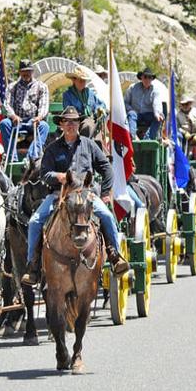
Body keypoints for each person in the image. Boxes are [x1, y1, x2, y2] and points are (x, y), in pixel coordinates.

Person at [22, 108, 129, 286]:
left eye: (74, 121)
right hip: (60, 195)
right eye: (67, 122)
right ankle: (33, 266)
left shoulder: (89, 145)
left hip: (87, 195)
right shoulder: (52, 149)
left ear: (79, 124)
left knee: (107, 216)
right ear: (61, 125)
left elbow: (106, 168)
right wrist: (58, 176)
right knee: (34, 222)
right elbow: (44, 174)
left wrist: (105, 194)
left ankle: (114, 255)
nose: (71, 125)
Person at [0, 59, 50, 160]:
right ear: (20, 72)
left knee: (44, 127)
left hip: (33, 120)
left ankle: (31, 157)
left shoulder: (41, 87)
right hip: (17, 120)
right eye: (23, 71)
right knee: (4, 123)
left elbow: (44, 105)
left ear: (32, 72)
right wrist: (13, 116)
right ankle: (11, 157)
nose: (26, 74)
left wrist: (39, 117)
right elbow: (7, 104)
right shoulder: (12, 87)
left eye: (28, 71)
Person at [62, 65, 107, 139]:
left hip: (92, 120)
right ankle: (84, 147)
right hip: (76, 122)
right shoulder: (67, 95)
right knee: (88, 126)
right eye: (80, 80)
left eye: (84, 80)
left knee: (100, 127)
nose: (83, 83)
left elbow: (100, 104)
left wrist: (100, 109)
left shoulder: (90, 93)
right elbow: (69, 113)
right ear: (74, 80)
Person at [125, 67, 163, 140]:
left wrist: (157, 114)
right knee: (131, 114)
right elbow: (126, 102)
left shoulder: (155, 91)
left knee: (159, 117)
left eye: (149, 77)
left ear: (152, 79)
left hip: (149, 114)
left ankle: (148, 139)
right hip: (136, 114)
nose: (147, 79)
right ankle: (133, 137)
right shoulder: (132, 88)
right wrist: (130, 110)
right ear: (141, 77)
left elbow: (156, 103)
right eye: (145, 77)